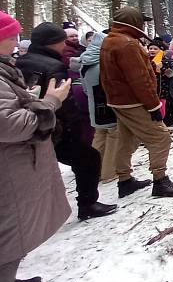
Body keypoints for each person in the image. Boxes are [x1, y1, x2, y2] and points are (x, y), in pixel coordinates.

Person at [0, 11, 72, 282]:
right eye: (12, 37)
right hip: (9, 171)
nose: (17, 43)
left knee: (13, 236)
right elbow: (10, 125)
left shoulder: (7, 70)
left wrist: (31, 99)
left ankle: (8, 281)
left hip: (14, 168)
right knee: (9, 233)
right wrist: (50, 103)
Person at [16, 23, 118, 220]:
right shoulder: (53, 66)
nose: (64, 45)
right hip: (54, 125)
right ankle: (87, 204)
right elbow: (63, 100)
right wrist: (74, 123)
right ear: (51, 43)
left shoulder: (22, 61)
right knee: (88, 159)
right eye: (62, 41)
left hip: (31, 124)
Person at [100, 7, 173, 198]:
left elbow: (118, 72)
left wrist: (143, 60)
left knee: (126, 138)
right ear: (133, 22)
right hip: (133, 101)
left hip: (118, 99)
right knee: (161, 137)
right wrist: (154, 106)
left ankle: (125, 180)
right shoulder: (128, 44)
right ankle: (160, 180)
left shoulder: (112, 39)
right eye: (141, 21)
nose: (143, 25)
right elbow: (139, 80)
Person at [79, 31, 119, 182]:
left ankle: (94, 170)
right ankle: (109, 172)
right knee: (113, 136)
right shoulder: (103, 62)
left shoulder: (85, 62)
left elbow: (84, 88)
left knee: (99, 136)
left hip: (93, 104)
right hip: (107, 104)